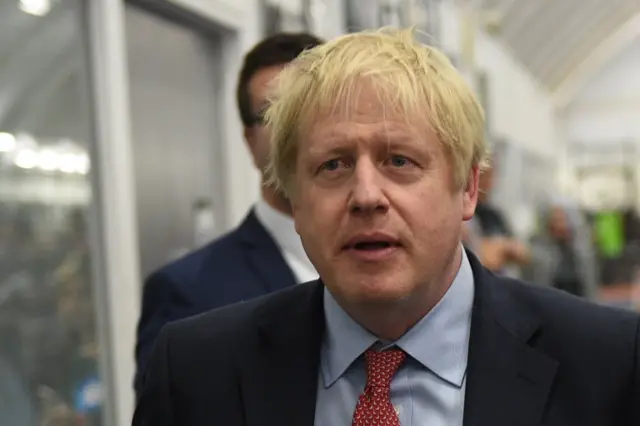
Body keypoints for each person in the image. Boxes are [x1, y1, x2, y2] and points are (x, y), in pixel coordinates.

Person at [133, 28, 640, 426]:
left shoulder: (608, 364)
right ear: (294, 196)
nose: (367, 196)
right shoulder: (198, 372)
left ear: (467, 189)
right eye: (333, 165)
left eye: (399, 160)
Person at [133, 32, 323, 398]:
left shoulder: (389, 270)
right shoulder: (189, 295)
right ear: (250, 141)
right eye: (274, 113)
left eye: (312, 108)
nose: (296, 130)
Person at [523, 201, 600, 299]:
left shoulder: (581, 247)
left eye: (562, 220)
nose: (559, 225)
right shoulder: (538, 246)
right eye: (555, 220)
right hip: (551, 297)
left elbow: (591, 280)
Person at [474, 164, 530, 275]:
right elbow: (483, 258)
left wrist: (499, 248)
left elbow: (522, 252)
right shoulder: (465, 216)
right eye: (483, 176)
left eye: (491, 176)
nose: (488, 183)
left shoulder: (494, 214)